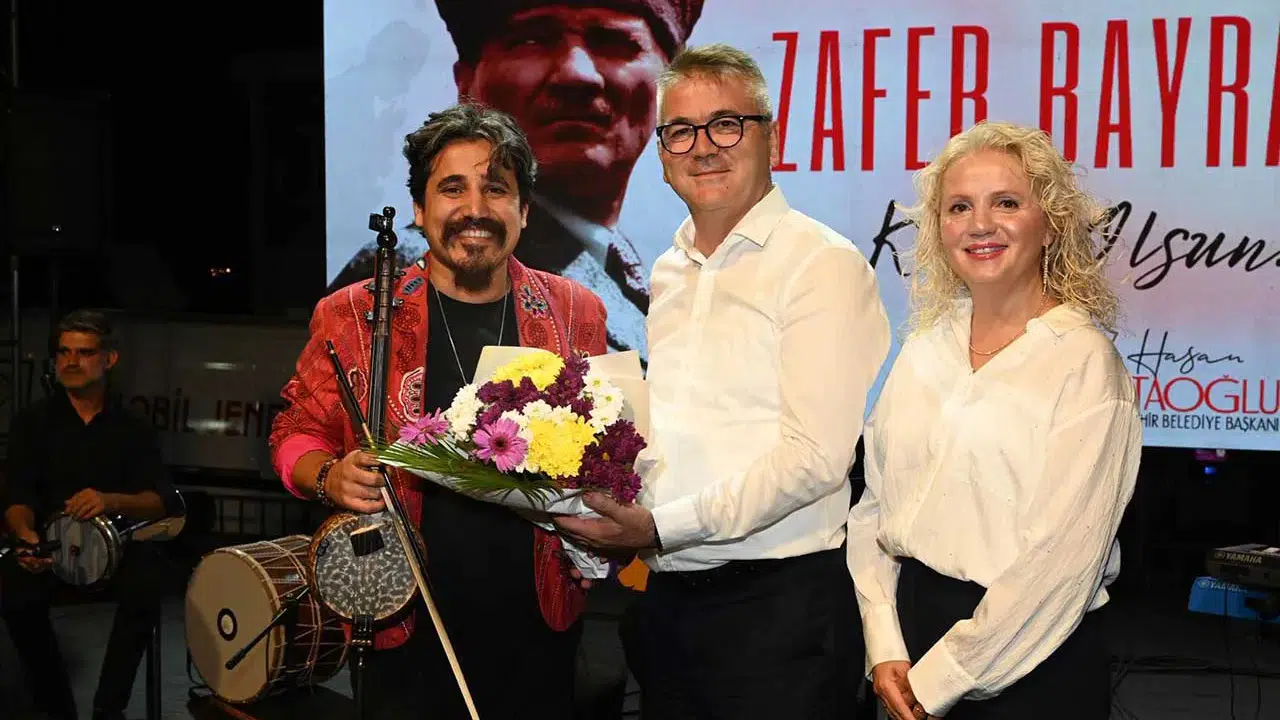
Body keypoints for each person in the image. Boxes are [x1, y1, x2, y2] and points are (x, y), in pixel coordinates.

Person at [555, 43, 891, 719]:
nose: (703, 147)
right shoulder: (667, 271)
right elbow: (674, 435)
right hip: (668, 607)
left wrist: (658, 527)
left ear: (772, 137)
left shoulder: (821, 264)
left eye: (726, 124)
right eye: (681, 130)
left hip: (778, 615)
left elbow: (815, 459)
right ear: (661, 154)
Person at [268, 101, 609, 719]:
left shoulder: (574, 310)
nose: (475, 208)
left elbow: (603, 449)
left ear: (523, 212)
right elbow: (295, 429)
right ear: (420, 210)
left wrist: (600, 535)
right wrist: (328, 475)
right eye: (453, 188)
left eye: (496, 189)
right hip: (401, 624)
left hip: (540, 621)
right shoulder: (352, 314)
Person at [846, 120, 1142, 720]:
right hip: (910, 644)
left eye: (1006, 202)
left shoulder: (1085, 363)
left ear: (1050, 222)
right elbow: (876, 507)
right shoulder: (925, 348)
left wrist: (940, 680)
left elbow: (1060, 565)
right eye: (959, 207)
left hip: (1033, 664)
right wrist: (883, 641)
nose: (980, 224)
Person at [330, 0, 705, 361]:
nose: (577, 74)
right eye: (531, 40)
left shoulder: (649, 275)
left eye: (615, 43)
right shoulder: (418, 267)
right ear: (466, 81)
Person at [2, 309, 181, 720]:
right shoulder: (32, 422)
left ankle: (108, 707)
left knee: (148, 581)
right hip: (50, 547)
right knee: (12, 588)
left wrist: (111, 500)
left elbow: (160, 501)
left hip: (116, 548)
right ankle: (56, 707)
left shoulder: (132, 426)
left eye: (83, 353)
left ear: (109, 359)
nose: (70, 361)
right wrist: (25, 535)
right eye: (63, 352)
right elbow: (17, 496)